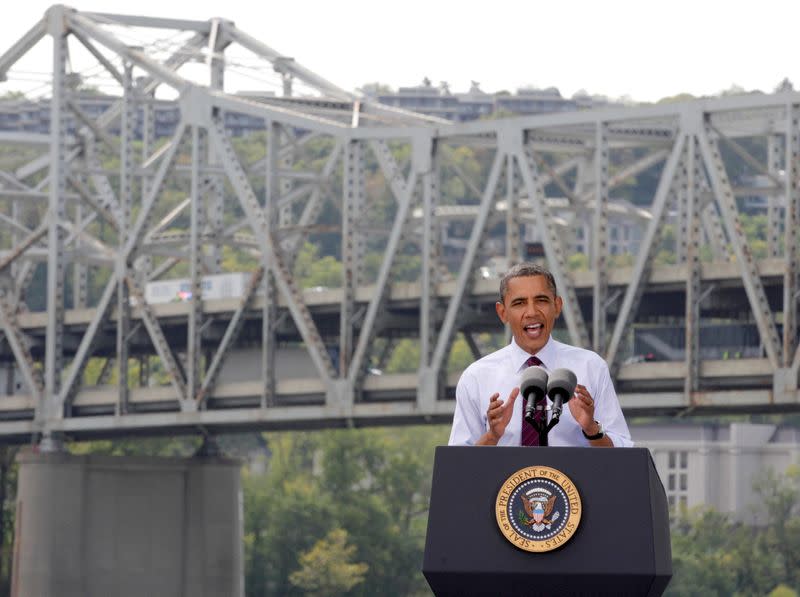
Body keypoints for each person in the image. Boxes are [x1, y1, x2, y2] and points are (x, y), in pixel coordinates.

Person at [448, 263, 632, 447]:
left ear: (557, 306)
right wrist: (493, 436)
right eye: (519, 303)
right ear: (502, 312)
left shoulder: (591, 367)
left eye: (541, 300)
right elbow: (458, 466)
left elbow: (624, 455)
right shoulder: (476, 377)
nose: (532, 312)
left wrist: (591, 429)